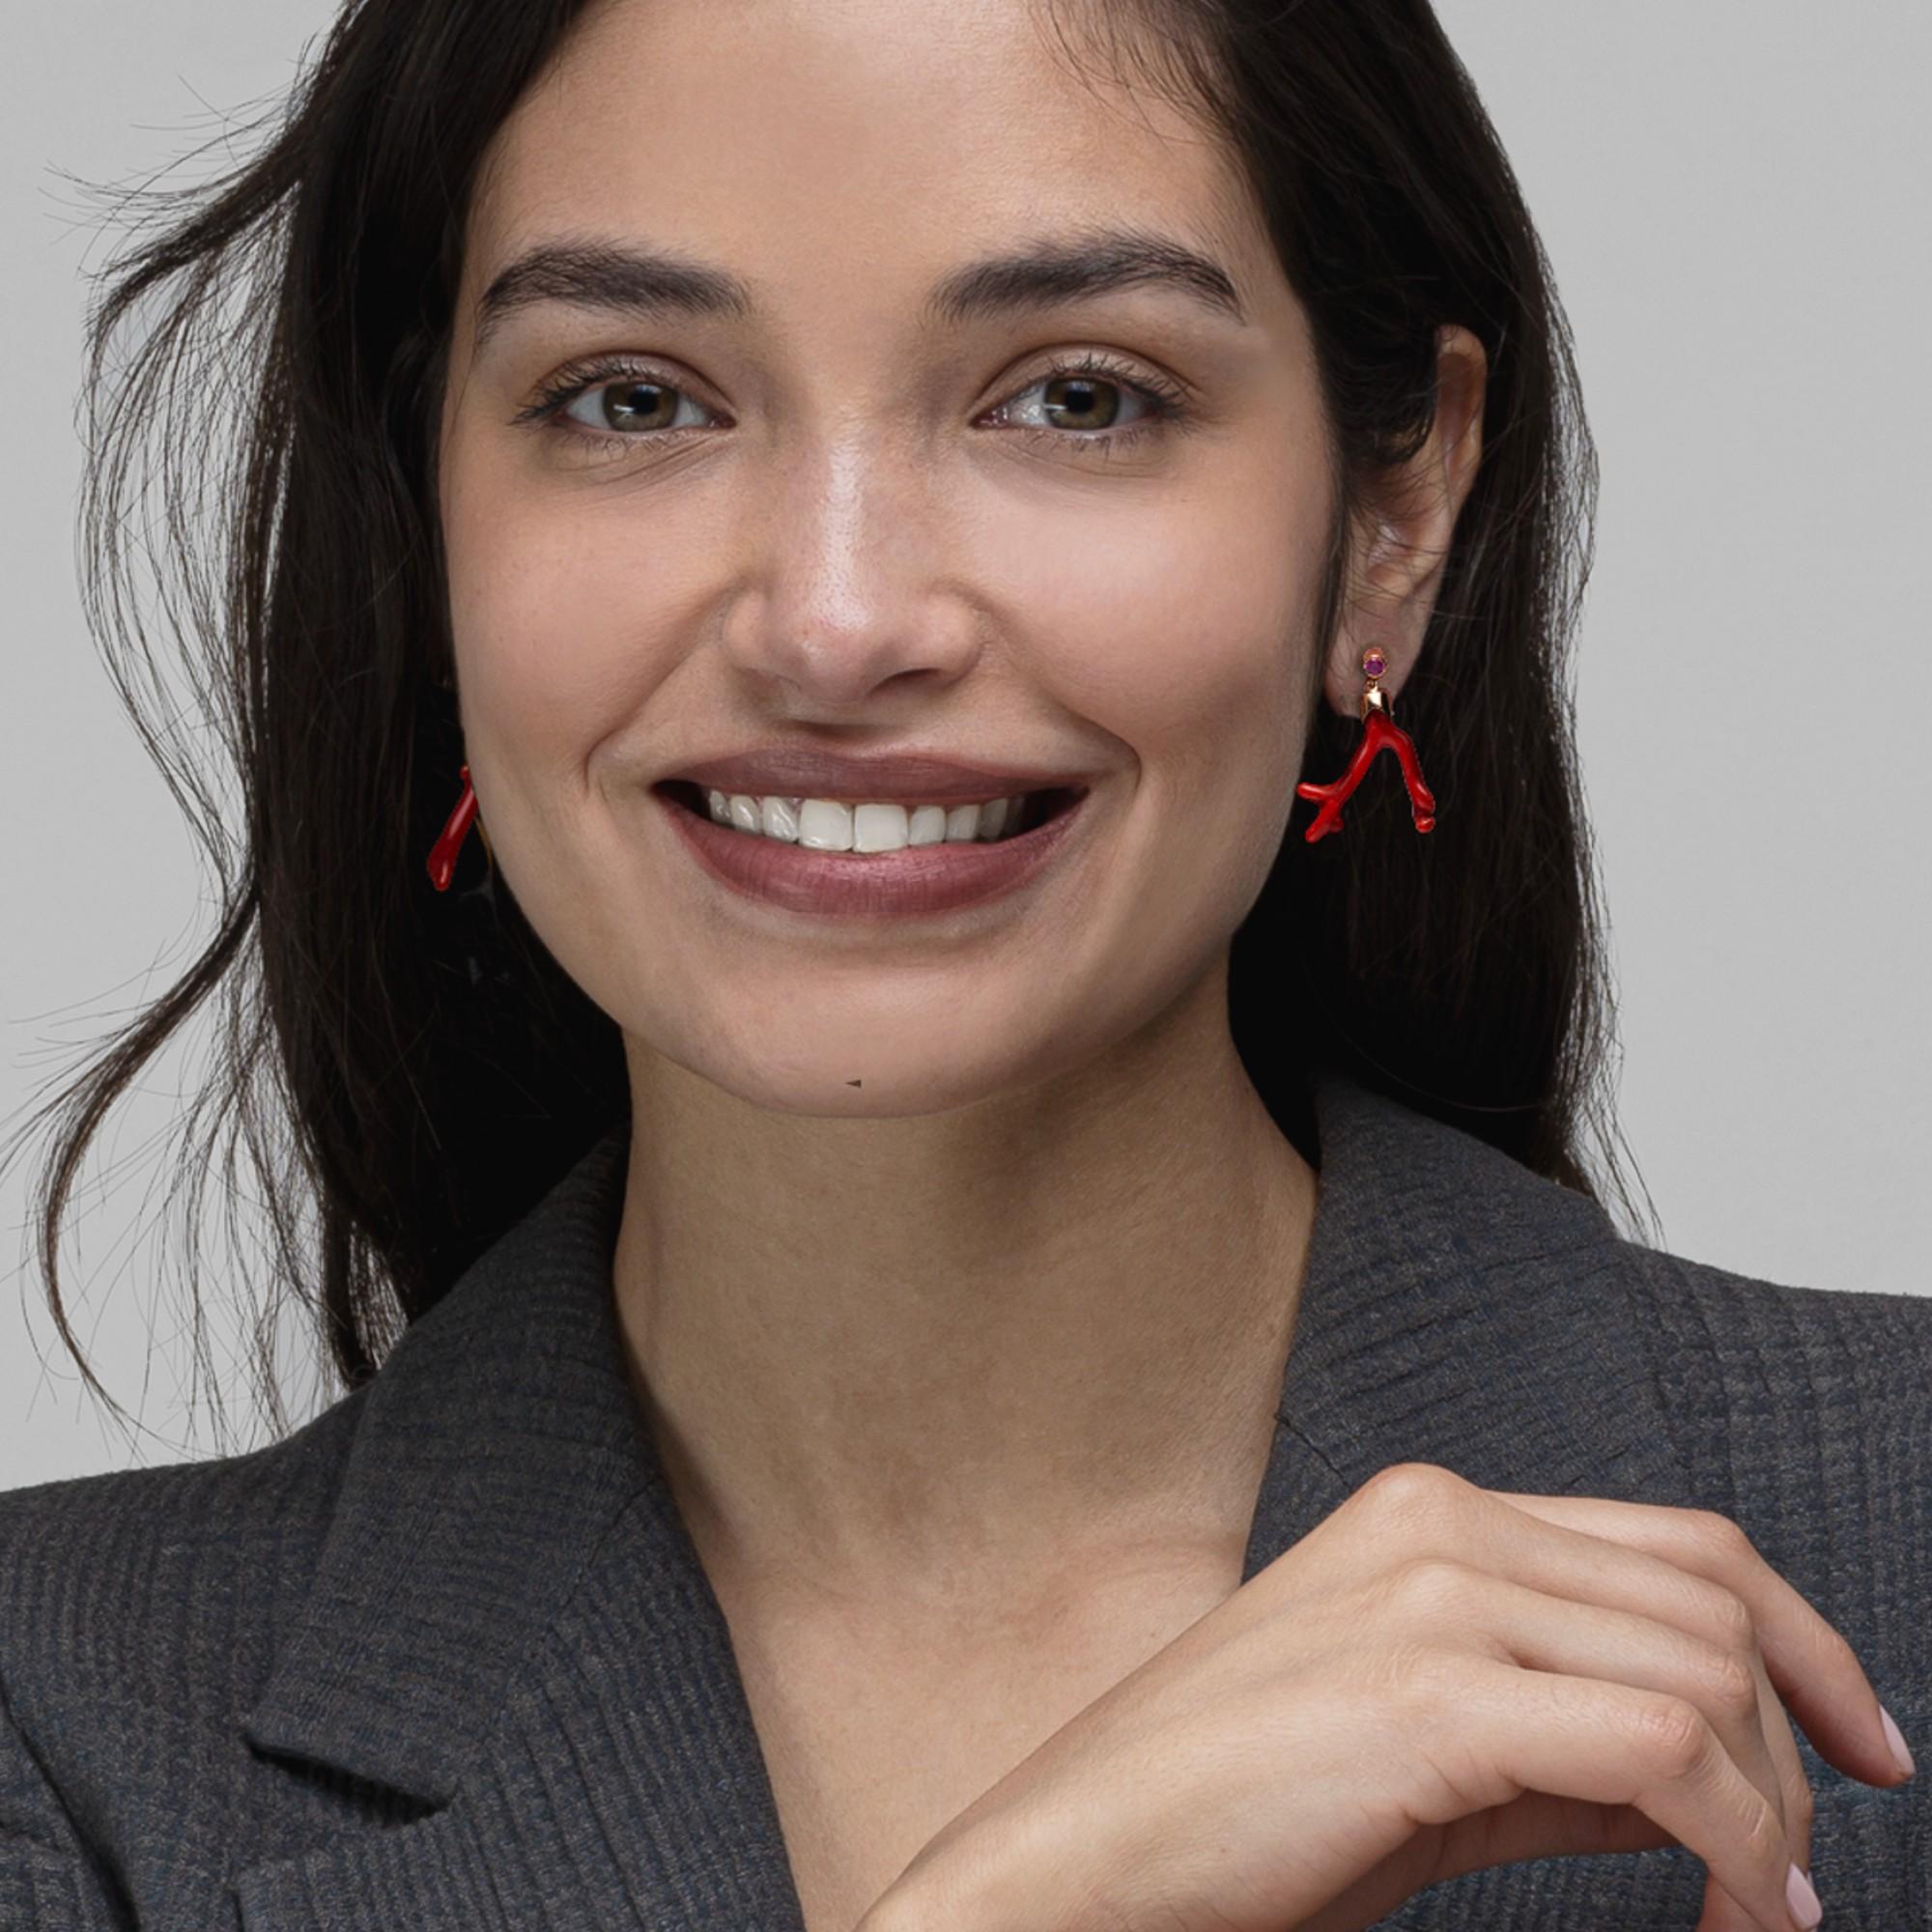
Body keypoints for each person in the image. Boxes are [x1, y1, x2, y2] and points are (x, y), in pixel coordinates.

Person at [1, 0, 1924, 1927]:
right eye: (633, 397)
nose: (835, 623)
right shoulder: (56, 1732)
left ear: (1394, 513)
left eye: (1077, 396)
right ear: (426, 516)